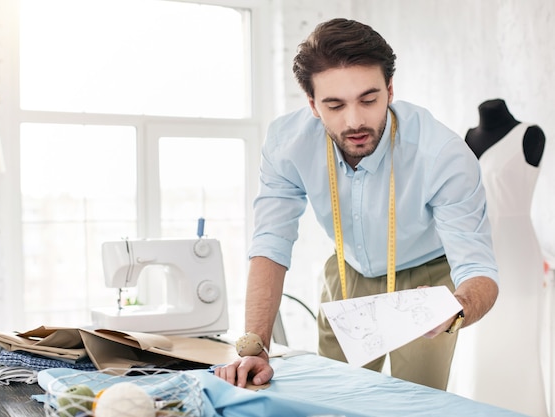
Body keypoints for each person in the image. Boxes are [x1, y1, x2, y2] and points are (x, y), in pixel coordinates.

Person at [214, 18, 499, 391]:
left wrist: (456, 307)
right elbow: (271, 242)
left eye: (369, 99)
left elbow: (478, 268)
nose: (355, 121)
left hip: (425, 279)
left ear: (390, 89)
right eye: (335, 105)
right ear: (313, 104)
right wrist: (253, 346)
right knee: (337, 397)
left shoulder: (443, 155)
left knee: (414, 403)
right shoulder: (288, 144)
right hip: (347, 271)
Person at [452, 99, 548, 415]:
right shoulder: (466, 138)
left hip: (516, 250)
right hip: (473, 248)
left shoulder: (530, 135)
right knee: (475, 343)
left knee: (516, 338)